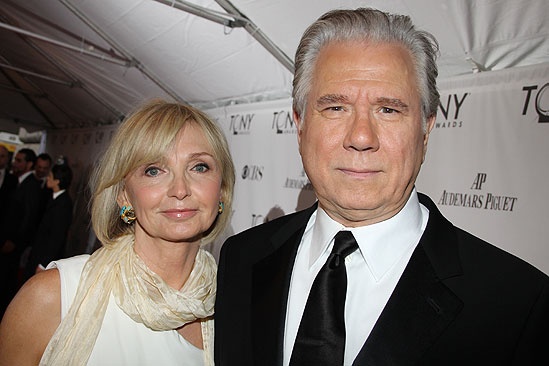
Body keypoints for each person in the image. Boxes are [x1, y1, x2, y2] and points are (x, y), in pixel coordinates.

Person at [214, 8, 549, 366]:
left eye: (388, 110)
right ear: (300, 124)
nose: (361, 137)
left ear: (426, 129)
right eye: (336, 108)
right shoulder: (242, 259)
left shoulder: (516, 304)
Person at [0, 99, 235, 365]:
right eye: (154, 170)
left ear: (221, 190)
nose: (180, 189)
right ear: (124, 195)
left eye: (199, 167)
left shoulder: (239, 305)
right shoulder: (53, 297)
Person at [0, 148, 42, 317]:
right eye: (14, 159)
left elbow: (29, 218)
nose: (14, 163)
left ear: (29, 164)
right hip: (7, 242)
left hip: (12, 245)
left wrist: (15, 242)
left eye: (19, 160)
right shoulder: (18, 181)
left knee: (6, 283)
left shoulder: (31, 185)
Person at [23, 157, 74, 282]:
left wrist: (43, 264)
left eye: (50, 176)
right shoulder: (53, 197)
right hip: (37, 254)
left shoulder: (63, 204)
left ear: (57, 181)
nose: (47, 178)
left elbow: (56, 238)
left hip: (44, 260)